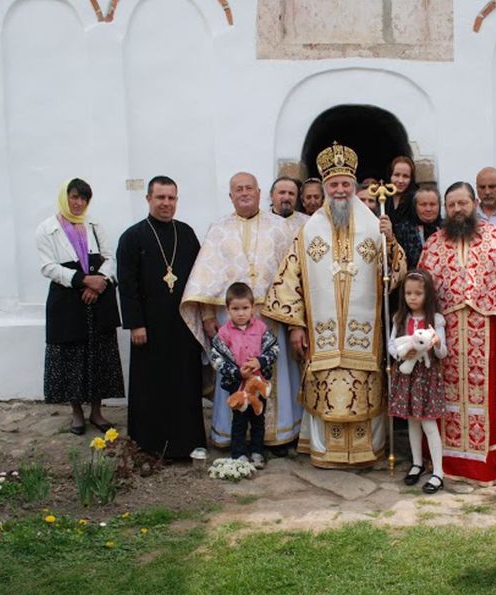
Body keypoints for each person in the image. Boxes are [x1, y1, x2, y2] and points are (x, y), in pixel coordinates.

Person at [263, 142, 407, 468]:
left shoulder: (374, 224)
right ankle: (326, 452)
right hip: (322, 337)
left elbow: (394, 276)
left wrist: (391, 241)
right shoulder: (309, 229)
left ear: (353, 187)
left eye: (345, 184)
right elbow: (289, 279)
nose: (340, 190)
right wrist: (296, 326)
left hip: (363, 338)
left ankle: (366, 451)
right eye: (334, 185)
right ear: (325, 188)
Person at [418, 182, 496, 485]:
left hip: (486, 334)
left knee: (488, 400)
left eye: (463, 203)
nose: (458, 210)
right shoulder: (434, 243)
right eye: (452, 205)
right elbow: (421, 290)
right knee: (444, 399)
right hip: (445, 337)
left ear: (474, 203)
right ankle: (443, 462)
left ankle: (486, 465)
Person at [180, 172, 300, 456]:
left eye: (249, 188)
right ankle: (232, 437)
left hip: (270, 315)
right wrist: (208, 315)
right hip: (229, 317)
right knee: (233, 373)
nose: (244, 193)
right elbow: (205, 277)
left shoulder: (280, 228)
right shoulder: (218, 229)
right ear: (230, 196)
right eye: (238, 189)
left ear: (260, 193)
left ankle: (275, 436)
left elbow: (294, 275)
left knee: (273, 373)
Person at [116, 176, 205, 459]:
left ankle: (186, 442)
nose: (166, 203)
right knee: (150, 385)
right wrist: (135, 323)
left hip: (182, 324)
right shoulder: (132, 237)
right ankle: (149, 444)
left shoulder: (187, 233)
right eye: (161, 198)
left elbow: (200, 278)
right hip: (149, 325)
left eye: (171, 198)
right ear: (148, 199)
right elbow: (127, 285)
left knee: (184, 383)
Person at [35, 179, 122, 435]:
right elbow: (47, 266)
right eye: (74, 197)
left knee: (99, 355)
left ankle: (97, 411)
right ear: (65, 197)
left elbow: (109, 257)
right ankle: (76, 413)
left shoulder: (93, 226)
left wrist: (98, 283)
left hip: (97, 298)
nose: (78, 202)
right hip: (67, 300)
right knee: (71, 357)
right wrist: (83, 280)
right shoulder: (46, 229)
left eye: (84, 198)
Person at [387, 270, 448, 494]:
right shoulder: (400, 318)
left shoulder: (436, 320)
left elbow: (443, 354)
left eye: (418, 293)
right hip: (406, 375)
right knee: (412, 420)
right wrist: (402, 355)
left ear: (428, 295)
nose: (412, 298)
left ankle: (438, 473)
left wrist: (438, 343)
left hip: (427, 377)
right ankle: (417, 463)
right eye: (408, 293)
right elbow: (392, 345)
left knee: (428, 423)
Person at [210, 282, 280, 469]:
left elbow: (274, 349)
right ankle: (239, 453)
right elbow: (216, 358)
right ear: (227, 309)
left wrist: (260, 361)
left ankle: (257, 452)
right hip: (238, 385)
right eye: (235, 309)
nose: (240, 313)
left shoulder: (261, 329)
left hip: (258, 384)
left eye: (245, 308)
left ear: (253, 308)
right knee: (239, 420)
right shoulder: (223, 334)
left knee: (258, 418)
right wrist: (236, 372)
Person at [393, 184, 443, 270]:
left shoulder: (447, 229)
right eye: (423, 204)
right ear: (415, 206)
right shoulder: (402, 230)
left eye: (433, 204)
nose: (428, 209)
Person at [384, 156, 417, 226]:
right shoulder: (382, 198)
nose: (400, 180)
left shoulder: (416, 200)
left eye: (405, 176)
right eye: (396, 175)